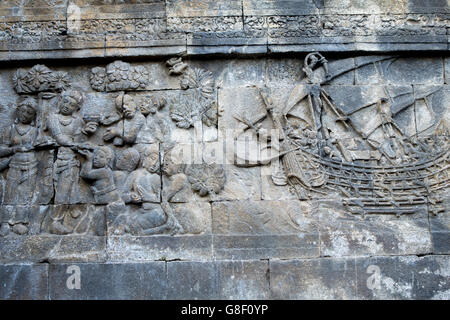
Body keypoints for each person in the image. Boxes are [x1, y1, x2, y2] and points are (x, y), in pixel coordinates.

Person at [0, 97, 38, 235]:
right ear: (17, 112)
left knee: (25, 195)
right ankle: (5, 222)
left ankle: (20, 222)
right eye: (22, 111)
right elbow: (1, 150)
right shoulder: (10, 129)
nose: (25, 115)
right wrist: (15, 149)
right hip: (14, 164)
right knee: (10, 194)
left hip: (32, 165)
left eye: (29, 113)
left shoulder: (35, 131)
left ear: (34, 116)